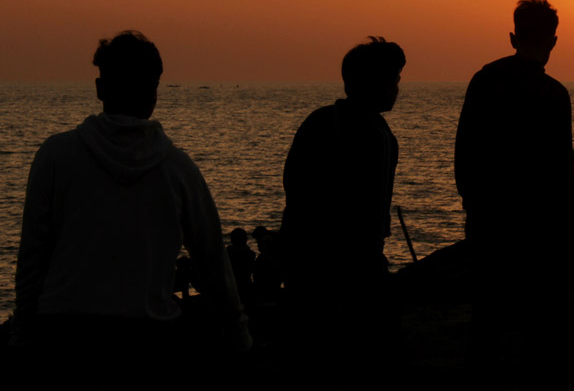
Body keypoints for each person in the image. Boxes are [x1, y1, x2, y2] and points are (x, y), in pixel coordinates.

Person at [10, 31, 250, 365]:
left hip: (63, 336)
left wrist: (22, 329)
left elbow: (32, 255)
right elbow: (213, 265)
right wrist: (240, 340)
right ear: (154, 93)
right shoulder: (179, 170)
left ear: (100, 88)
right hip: (147, 340)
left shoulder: (55, 156)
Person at [454, 0, 574, 383]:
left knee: (486, 311)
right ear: (553, 41)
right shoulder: (555, 94)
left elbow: (465, 150)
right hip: (539, 221)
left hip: (490, 213)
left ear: (512, 36)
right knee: (539, 313)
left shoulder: (485, 79)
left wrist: (474, 203)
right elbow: (559, 167)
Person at [279, 36, 406, 365]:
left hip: (328, 264)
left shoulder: (344, 125)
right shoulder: (367, 133)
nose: (396, 88)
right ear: (372, 83)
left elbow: (294, 188)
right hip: (340, 266)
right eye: (392, 80)